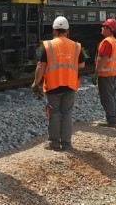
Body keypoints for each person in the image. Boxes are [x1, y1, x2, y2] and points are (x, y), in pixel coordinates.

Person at [31, 15, 85, 151]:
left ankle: (54, 143)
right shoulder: (76, 46)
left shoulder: (48, 46)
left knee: (54, 113)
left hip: (53, 86)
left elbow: (40, 65)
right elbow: (82, 64)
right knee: (67, 113)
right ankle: (66, 143)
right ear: (67, 31)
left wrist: (36, 83)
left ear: (54, 31)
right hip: (70, 85)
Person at [93, 18, 116, 127]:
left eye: (104, 26)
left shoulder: (107, 42)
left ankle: (111, 121)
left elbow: (103, 59)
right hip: (112, 74)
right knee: (111, 96)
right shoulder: (113, 40)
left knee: (107, 97)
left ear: (109, 29)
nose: (102, 28)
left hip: (106, 75)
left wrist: (96, 73)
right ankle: (114, 118)